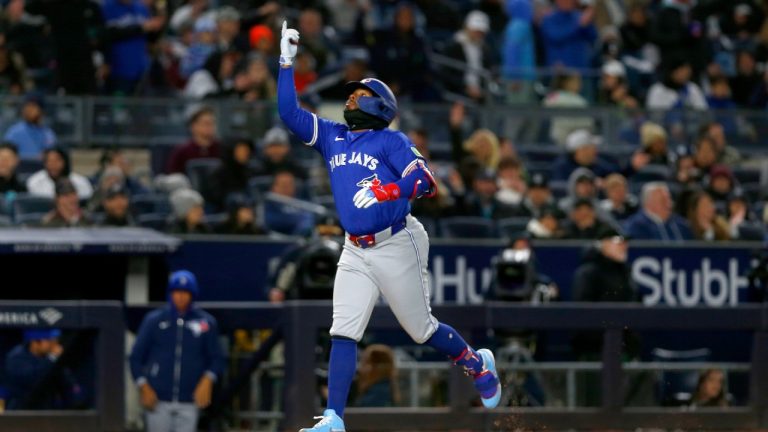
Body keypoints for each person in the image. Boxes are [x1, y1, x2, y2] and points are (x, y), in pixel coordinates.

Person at [277, 21, 501, 431]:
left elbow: (427, 181)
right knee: (343, 330)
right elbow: (289, 113)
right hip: (354, 248)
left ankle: (475, 362)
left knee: (421, 329)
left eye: (360, 93)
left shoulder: (392, 141)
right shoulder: (333, 136)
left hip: (397, 242)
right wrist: (286, 62)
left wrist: (386, 192)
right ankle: (333, 419)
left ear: (379, 105)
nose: (351, 97)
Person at [129, 270, 224, 432]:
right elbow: (135, 358)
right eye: (177, 292)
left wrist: (207, 379)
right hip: (158, 399)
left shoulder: (205, 322)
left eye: (185, 292)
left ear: (192, 295)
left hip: (190, 399)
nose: (180, 297)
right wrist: (143, 386)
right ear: (170, 293)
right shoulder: (154, 320)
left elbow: (217, 359)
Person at [4, 328, 82, 410]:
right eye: (50, 341)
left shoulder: (51, 359)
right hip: (21, 411)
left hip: (48, 412)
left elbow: (68, 383)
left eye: (55, 340)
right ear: (36, 342)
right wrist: (52, 358)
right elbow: (33, 380)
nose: (55, 345)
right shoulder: (16, 357)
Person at [623, 182, 693, 241]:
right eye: (663, 201)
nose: (669, 204)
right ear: (649, 203)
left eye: (669, 199)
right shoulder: (634, 227)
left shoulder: (681, 224)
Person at [166, 105, 221, 174]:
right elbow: (173, 177)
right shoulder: (182, 151)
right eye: (206, 123)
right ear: (194, 126)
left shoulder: (222, 149)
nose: (211, 127)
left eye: (213, 123)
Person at [3, 93, 57, 159]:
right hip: (19, 168)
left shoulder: (48, 134)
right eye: (26, 106)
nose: (28, 110)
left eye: (33, 106)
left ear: (42, 110)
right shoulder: (15, 132)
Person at [26, 147, 93, 199]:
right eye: (49, 161)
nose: (52, 165)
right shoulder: (35, 182)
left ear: (65, 162)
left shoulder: (81, 182)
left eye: (57, 161)